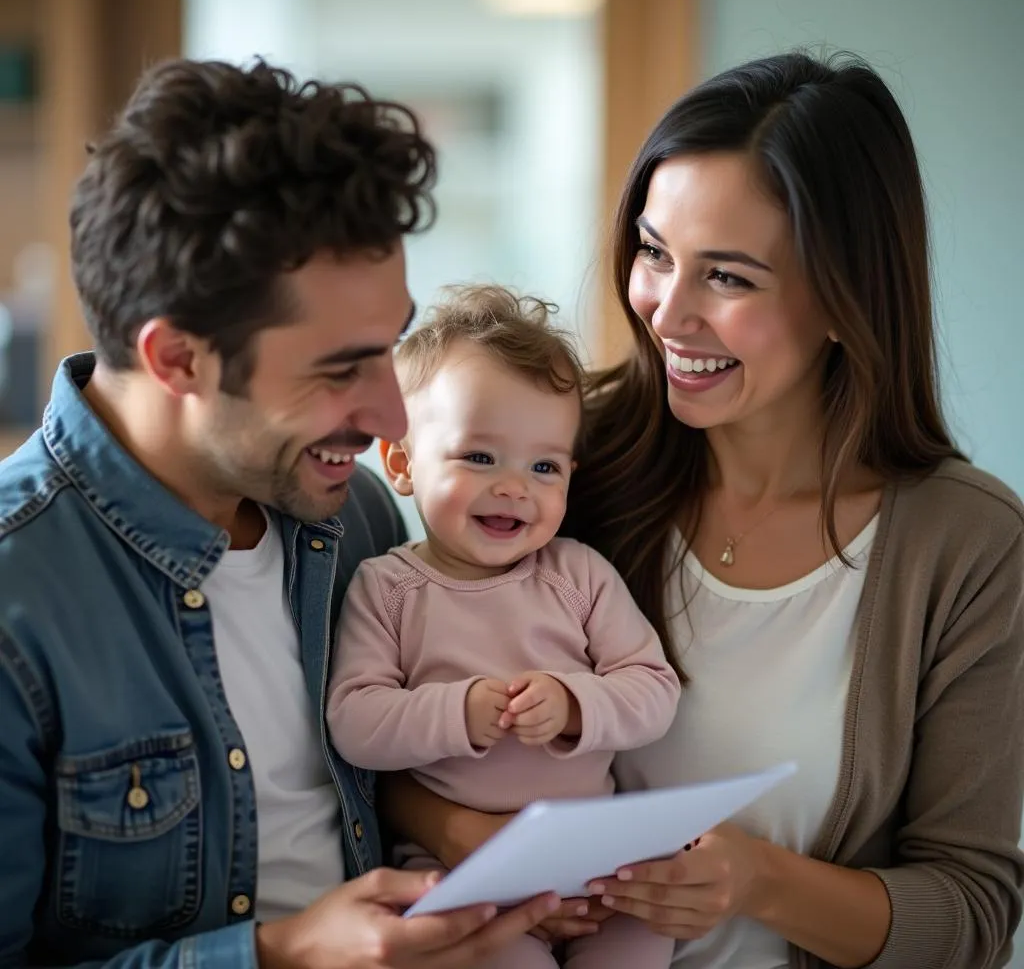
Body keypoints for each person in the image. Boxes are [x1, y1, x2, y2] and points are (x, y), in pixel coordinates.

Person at [380, 51, 1024, 969]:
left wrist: (758, 880)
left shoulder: (966, 544)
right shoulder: (563, 473)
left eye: (727, 277)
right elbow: (391, 718)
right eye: (653, 252)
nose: (667, 313)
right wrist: (452, 830)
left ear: (847, 298)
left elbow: (972, 914)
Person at [0, 58, 558, 969]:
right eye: (341, 369)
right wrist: (281, 956)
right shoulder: (15, 601)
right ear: (178, 358)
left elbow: (348, 769)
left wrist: (451, 830)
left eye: (392, 349)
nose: (389, 418)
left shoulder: (356, 514)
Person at [326, 285, 681, 969]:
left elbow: (653, 688)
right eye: (480, 458)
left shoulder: (578, 575)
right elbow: (354, 721)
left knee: (646, 927)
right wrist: (457, 711)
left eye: (543, 466)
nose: (516, 487)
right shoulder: (388, 587)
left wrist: (578, 704)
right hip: (463, 879)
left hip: (593, 863)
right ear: (401, 462)